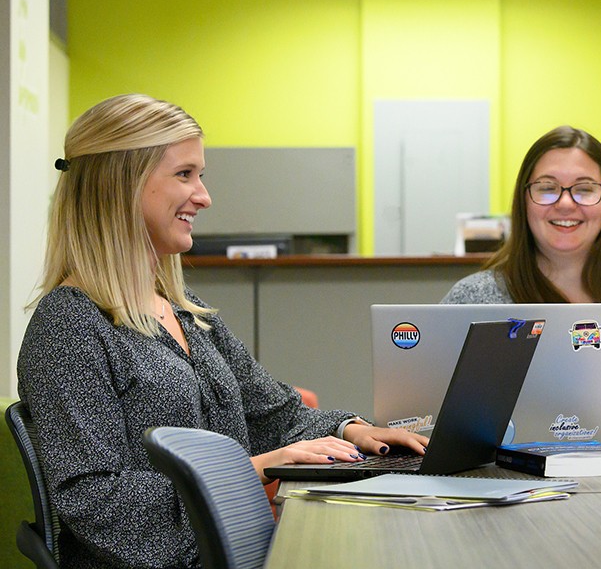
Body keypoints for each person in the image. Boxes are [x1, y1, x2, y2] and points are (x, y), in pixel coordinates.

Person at [17, 94, 429, 568]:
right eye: (184, 174)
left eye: (201, 176)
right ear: (121, 183)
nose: (204, 197)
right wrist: (245, 472)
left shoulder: (188, 314)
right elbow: (97, 503)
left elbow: (272, 413)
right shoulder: (68, 328)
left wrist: (354, 430)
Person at [442, 125, 601, 444]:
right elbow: (433, 425)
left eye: (584, 189)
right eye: (546, 187)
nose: (566, 203)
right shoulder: (472, 299)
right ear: (524, 199)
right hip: (514, 492)